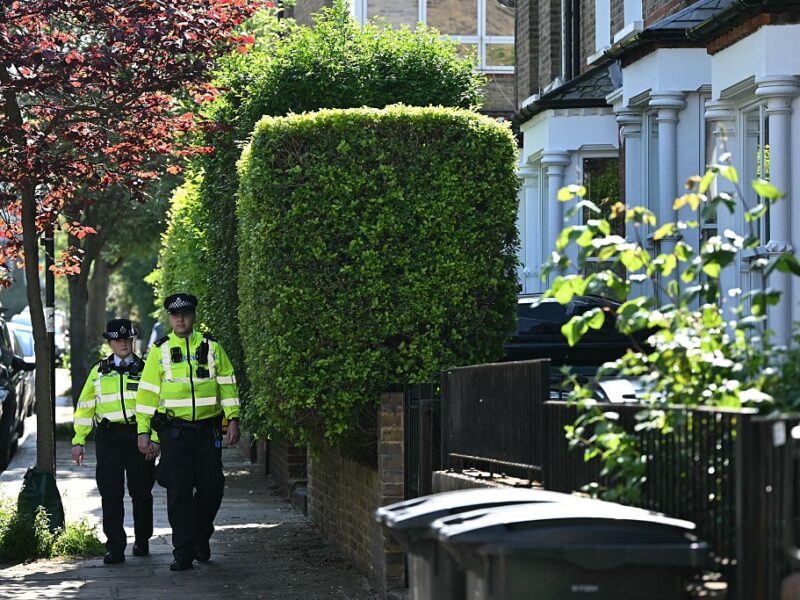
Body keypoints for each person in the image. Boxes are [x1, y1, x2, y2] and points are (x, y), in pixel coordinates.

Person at [135, 292, 240, 571]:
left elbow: (228, 384)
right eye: (175, 315)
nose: (180, 320)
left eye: (185, 314)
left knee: (212, 488)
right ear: (170, 318)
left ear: (193, 316)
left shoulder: (212, 347)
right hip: (175, 432)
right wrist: (144, 432)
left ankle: (200, 535)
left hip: (207, 430)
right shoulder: (159, 351)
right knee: (179, 492)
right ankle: (183, 552)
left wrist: (233, 418)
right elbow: (146, 394)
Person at [71, 318, 156, 565]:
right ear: (109, 343)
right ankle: (115, 547)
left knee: (142, 492)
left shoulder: (146, 370)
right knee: (110, 493)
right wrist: (78, 440)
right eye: (118, 340)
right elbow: (85, 407)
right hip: (109, 439)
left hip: (138, 437)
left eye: (128, 339)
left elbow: (157, 406)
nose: (124, 344)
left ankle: (142, 539)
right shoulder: (98, 372)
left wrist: (154, 437)